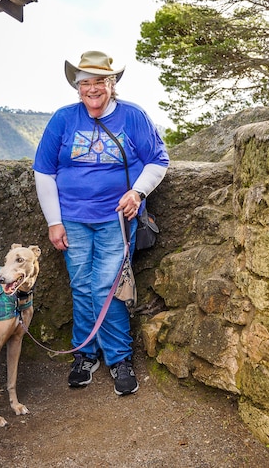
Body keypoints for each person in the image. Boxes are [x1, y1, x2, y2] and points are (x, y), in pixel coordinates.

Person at [32, 50, 170, 395]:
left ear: (112, 85)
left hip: (116, 219)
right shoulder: (63, 120)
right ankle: (85, 354)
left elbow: (158, 160)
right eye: (85, 83)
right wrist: (54, 222)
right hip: (73, 220)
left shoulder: (133, 116)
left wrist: (137, 193)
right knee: (81, 286)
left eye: (99, 82)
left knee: (106, 288)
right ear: (77, 87)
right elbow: (44, 172)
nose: (92, 89)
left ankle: (119, 357)